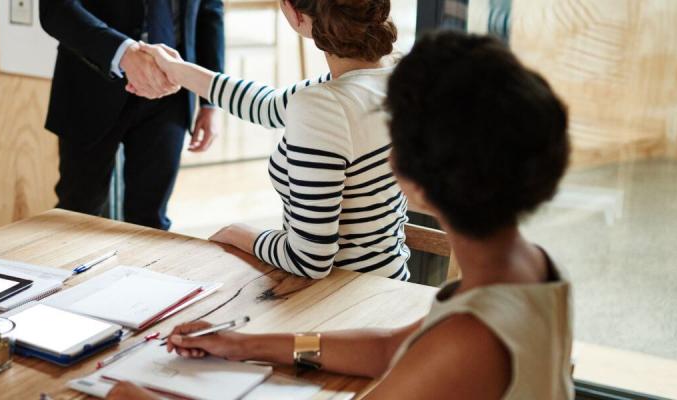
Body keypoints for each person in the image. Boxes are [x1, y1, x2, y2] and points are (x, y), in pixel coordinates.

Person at [109, 31, 574, 399]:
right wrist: (241, 345)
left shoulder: (470, 339)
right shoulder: (526, 267)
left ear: (413, 174)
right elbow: (393, 349)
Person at [137, 0, 409, 279]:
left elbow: (309, 259)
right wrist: (174, 68)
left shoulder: (321, 105)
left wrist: (237, 233)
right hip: (393, 285)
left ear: (294, 13)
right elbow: (268, 105)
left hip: (343, 299)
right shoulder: (397, 75)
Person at [38, 0, 224, 230]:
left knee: (151, 221)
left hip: (170, 93)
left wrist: (210, 100)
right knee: (79, 211)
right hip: (89, 82)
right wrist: (124, 52)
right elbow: (55, 9)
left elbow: (209, 11)